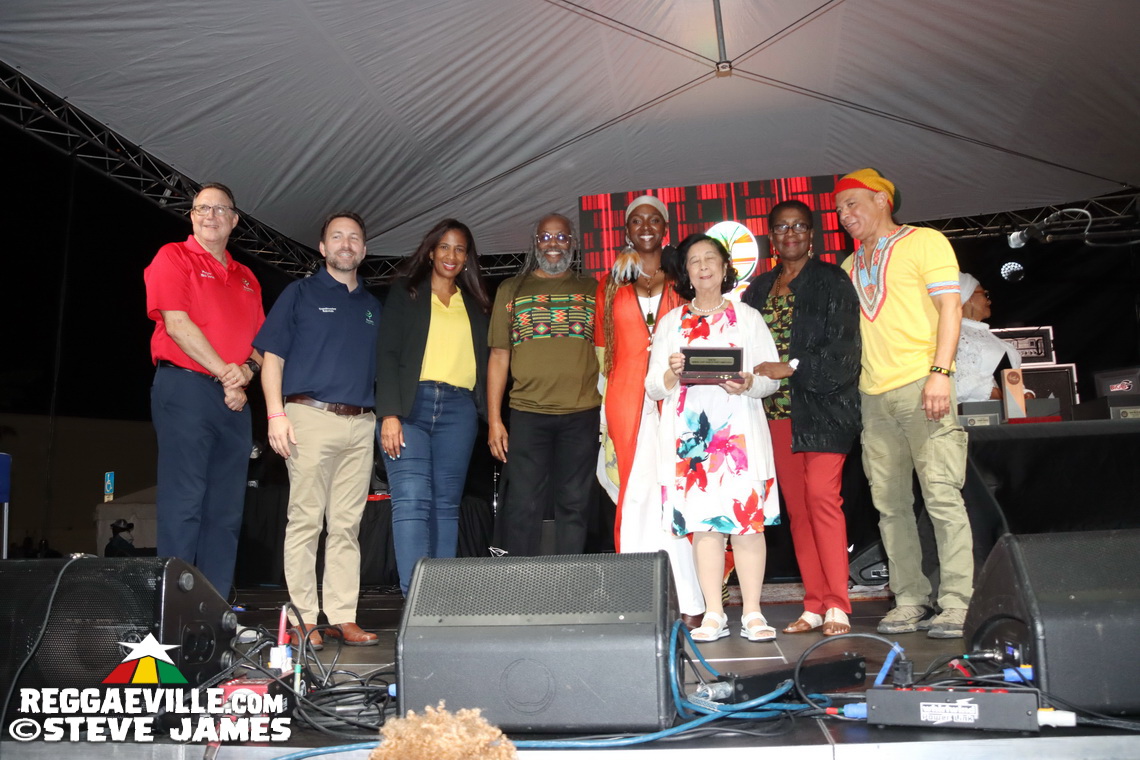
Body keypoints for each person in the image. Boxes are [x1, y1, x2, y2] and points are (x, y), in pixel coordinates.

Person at [836, 168, 972, 639]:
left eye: (853, 204)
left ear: (881, 200)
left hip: (922, 384)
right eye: (839, 210)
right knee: (889, 504)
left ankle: (956, 602)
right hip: (873, 398)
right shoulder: (850, 267)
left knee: (941, 495)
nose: (844, 215)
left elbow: (950, 308)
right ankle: (910, 596)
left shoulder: (925, 242)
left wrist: (941, 373)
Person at [255, 211, 381, 649]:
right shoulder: (300, 293)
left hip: (361, 423)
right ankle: (305, 619)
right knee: (306, 520)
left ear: (363, 250)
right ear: (323, 248)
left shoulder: (372, 307)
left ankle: (343, 616)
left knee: (347, 526)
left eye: (354, 238)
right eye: (336, 237)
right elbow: (271, 358)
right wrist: (275, 414)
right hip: (307, 416)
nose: (346, 244)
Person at [646, 233, 781, 643]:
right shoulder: (671, 323)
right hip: (693, 443)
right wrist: (671, 370)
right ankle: (714, 614)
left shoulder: (747, 318)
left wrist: (749, 382)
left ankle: (754, 613)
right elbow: (653, 387)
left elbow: (770, 378)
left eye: (711, 259)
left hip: (738, 438)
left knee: (747, 525)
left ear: (725, 268)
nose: (703, 266)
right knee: (705, 528)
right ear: (685, 273)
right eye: (694, 261)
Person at [743, 200, 862, 637]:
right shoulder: (757, 290)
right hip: (773, 414)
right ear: (770, 237)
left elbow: (845, 353)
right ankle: (813, 604)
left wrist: (789, 366)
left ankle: (838, 605)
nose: (789, 233)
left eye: (798, 226)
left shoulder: (833, 281)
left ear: (812, 235)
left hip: (825, 410)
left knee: (822, 500)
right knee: (797, 511)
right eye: (780, 228)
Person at [145, 182, 264, 599]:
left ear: (234, 220)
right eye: (201, 208)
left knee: (226, 512)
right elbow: (176, 324)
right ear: (192, 215)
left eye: (220, 209)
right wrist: (227, 374)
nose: (210, 215)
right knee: (185, 505)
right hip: (187, 389)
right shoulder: (173, 256)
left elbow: (261, 346)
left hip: (234, 401)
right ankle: (172, 611)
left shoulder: (247, 276)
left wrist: (244, 373)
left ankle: (214, 612)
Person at [594, 195, 704, 622]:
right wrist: (604, 409)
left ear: (665, 229)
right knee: (635, 494)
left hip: (680, 395)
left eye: (653, 220)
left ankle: (691, 600)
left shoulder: (682, 278)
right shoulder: (611, 282)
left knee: (676, 494)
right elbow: (603, 350)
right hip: (625, 397)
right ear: (626, 230)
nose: (645, 226)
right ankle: (636, 596)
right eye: (636, 220)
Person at [377, 219, 491, 595]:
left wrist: (489, 416)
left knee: (445, 506)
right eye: (444, 247)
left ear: (467, 258)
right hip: (410, 407)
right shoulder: (406, 293)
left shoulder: (475, 303)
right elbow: (387, 354)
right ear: (430, 251)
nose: (451, 255)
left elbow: (488, 360)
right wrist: (389, 413)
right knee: (411, 501)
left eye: (460, 249)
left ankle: (441, 598)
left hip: (458, 411)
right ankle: (416, 597)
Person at [487, 213, 601, 556]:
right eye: (546, 238)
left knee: (575, 505)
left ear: (574, 244)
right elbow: (498, 358)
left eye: (562, 238)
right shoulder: (511, 290)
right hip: (527, 413)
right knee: (523, 506)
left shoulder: (593, 289)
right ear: (535, 243)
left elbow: (610, 352)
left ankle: (572, 584)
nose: (554, 244)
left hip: (582, 414)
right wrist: (495, 420)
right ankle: (521, 587)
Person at [954, 273, 1022, 403]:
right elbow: (959, 382)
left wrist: (1024, 393)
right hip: (977, 415)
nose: (989, 300)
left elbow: (1011, 378)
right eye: (985, 294)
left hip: (1008, 412)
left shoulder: (984, 334)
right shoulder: (958, 335)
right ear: (969, 297)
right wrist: (1005, 394)